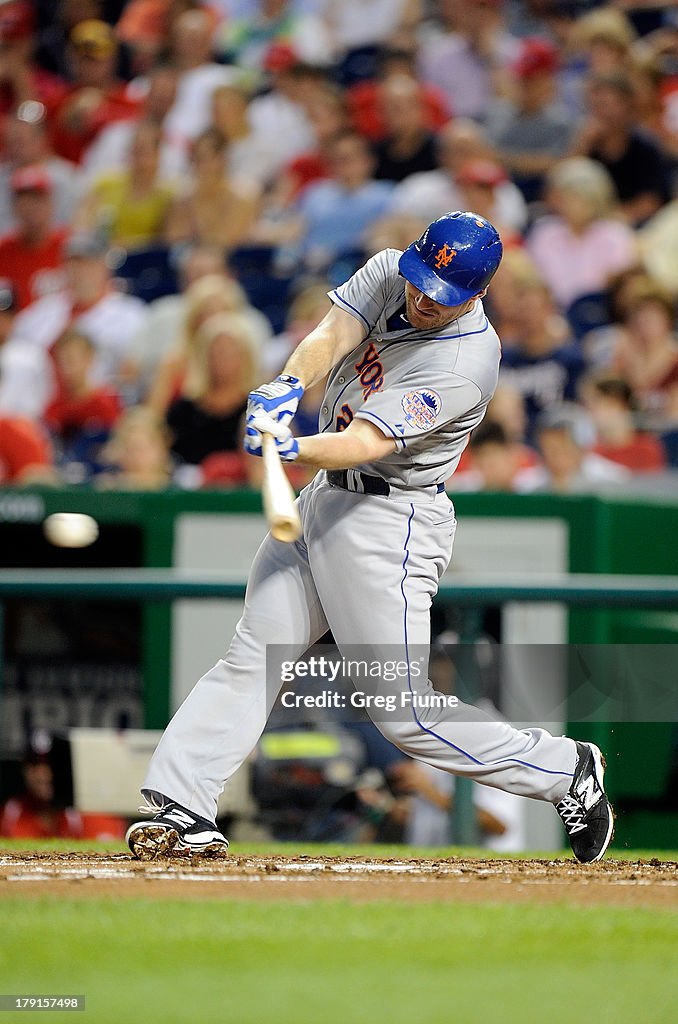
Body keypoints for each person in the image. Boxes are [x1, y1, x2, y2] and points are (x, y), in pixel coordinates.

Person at [126, 211, 615, 866]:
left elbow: (366, 442)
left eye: (440, 295)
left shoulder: (468, 360)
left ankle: (565, 770)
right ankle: (183, 806)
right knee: (255, 651)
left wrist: (291, 443)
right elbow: (333, 333)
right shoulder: (394, 269)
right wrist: (285, 387)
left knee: (403, 714)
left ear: (476, 293)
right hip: (327, 498)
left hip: (392, 520)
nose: (421, 298)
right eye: (420, 281)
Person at [0, 164, 68, 309]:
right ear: (13, 206)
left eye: (36, 199)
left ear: (50, 203)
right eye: (23, 200)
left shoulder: (69, 246)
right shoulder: (3, 252)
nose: (30, 207)